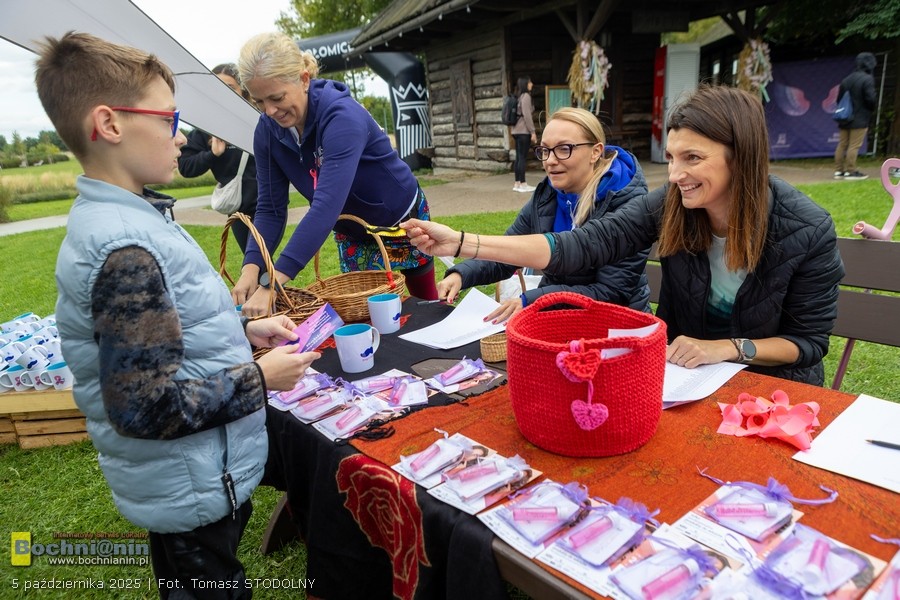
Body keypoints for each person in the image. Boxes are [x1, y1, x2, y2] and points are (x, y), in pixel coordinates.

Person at [34, 32, 320, 596]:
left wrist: (242, 327)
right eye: (167, 118)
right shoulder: (124, 247)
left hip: (188, 475)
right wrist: (259, 378)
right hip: (189, 480)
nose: (182, 134)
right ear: (110, 124)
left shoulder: (131, 218)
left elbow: (168, 327)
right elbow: (144, 407)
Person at [404, 85, 844, 386]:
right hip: (681, 378)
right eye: (671, 158)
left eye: (693, 158)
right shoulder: (672, 203)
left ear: (742, 156)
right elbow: (584, 245)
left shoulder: (807, 228)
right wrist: (462, 246)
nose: (675, 175)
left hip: (769, 389)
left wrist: (726, 349)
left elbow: (807, 343)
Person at [233, 32, 439, 317]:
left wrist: (273, 283)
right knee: (366, 313)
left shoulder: (341, 115)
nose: (269, 111)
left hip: (400, 217)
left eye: (277, 97)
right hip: (350, 227)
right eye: (259, 102)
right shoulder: (267, 130)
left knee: (425, 307)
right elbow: (269, 208)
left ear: (304, 79)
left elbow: (326, 206)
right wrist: (251, 268)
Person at [441, 106, 650, 324]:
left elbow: (610, 293)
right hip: (557, 321)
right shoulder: (547, 196)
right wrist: (461, 274)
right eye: (545, 150)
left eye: (564, 149)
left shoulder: (627, 204)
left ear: (595, 152)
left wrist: (532, 301)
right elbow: (509, 251)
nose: (550, 160)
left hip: (619, 328)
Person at [178, 63, 258, 252]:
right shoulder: (208, 127)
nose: (224, 93)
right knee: (255, 262)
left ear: (242, 91)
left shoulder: (257, 118)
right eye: (218, 88)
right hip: (239, 209)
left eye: (230, 88)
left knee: (261, 261)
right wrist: (212, 154)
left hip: (270, 205)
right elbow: (186, 167)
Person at [833, 52, 877, 181]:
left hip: (844, 117)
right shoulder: (867, 79)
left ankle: (838, 170)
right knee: (854, 145)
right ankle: (851, 171)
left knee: (842, 144)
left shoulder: (846, 79)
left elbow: (839, 99)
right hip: (860, 118)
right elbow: (871, 99)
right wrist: (870, 109)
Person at [511, 76, 537, 192]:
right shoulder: (526, 96)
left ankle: (517, 183)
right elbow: (527, 116)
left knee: (518, 157)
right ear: (526, 84)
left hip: (516, 131)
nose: (532, 84)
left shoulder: (519, 96)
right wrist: (533, 132)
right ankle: (523, 184)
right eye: (530, 82)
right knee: (522, 157)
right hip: (523, 131)